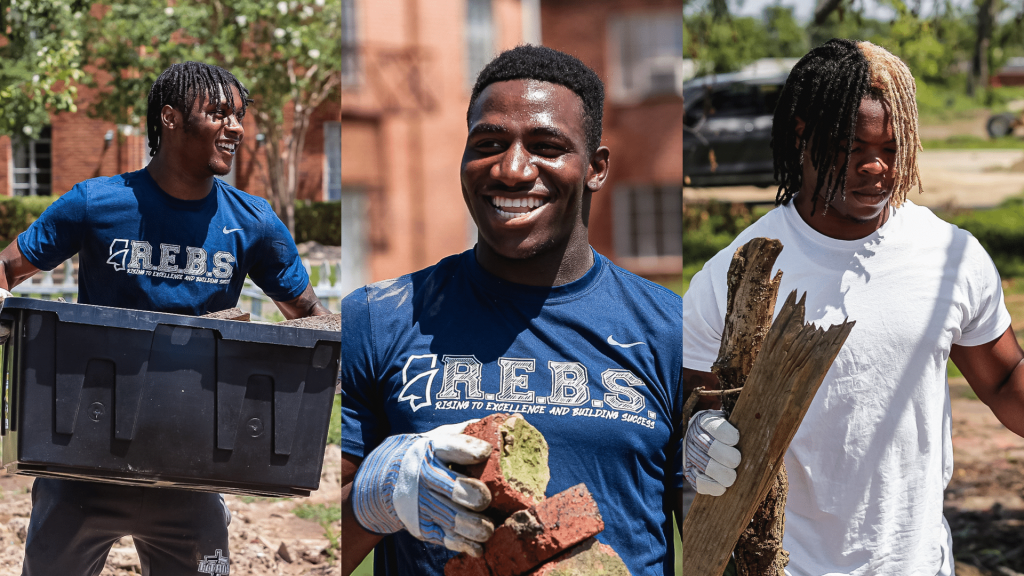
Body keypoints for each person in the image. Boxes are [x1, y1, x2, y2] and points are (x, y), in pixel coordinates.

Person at [683, 38, 1024, 575]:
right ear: (803, 135)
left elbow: (1006, 385)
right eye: (851, 148)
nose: (876, 169)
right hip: (790, 567)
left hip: (917, 563)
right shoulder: (739, 273)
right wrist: (698, 435)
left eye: (891, 149)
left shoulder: (949, 256)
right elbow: (695, 403)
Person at [341, 45, 683, 576]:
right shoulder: (377, 319)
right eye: (489, 143)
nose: (513, 169)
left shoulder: (670, 331)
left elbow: (718, 543)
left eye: (547, 146)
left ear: (595, 168)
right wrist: (373, 499)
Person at [0, 61, 330, 576]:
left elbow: (311, 318)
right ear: (171, 118)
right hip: (82, 464)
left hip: (192, 473)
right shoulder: (96, 204)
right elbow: (7, 269)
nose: (236, 127)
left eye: (239, 116)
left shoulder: (253, 223)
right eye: (219, 113)